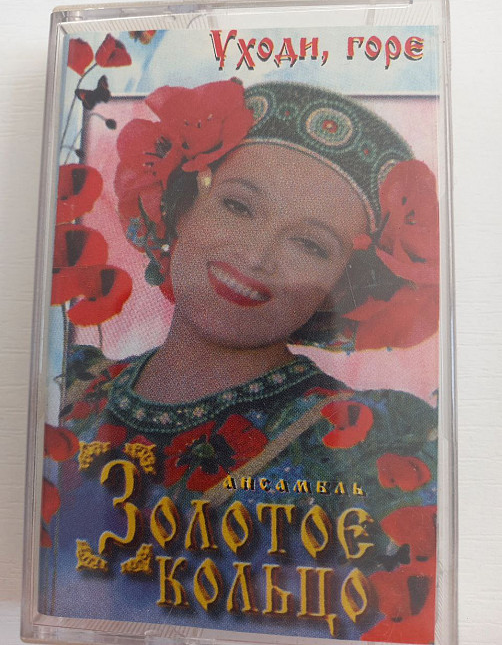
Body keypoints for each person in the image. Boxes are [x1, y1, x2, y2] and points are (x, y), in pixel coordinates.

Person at [45, 80, 439, 643]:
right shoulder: (70, 392)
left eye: (311, 245)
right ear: (181, 207)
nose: (256, 256)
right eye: (237, 206)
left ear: (343, 288)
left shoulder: (371, 437)